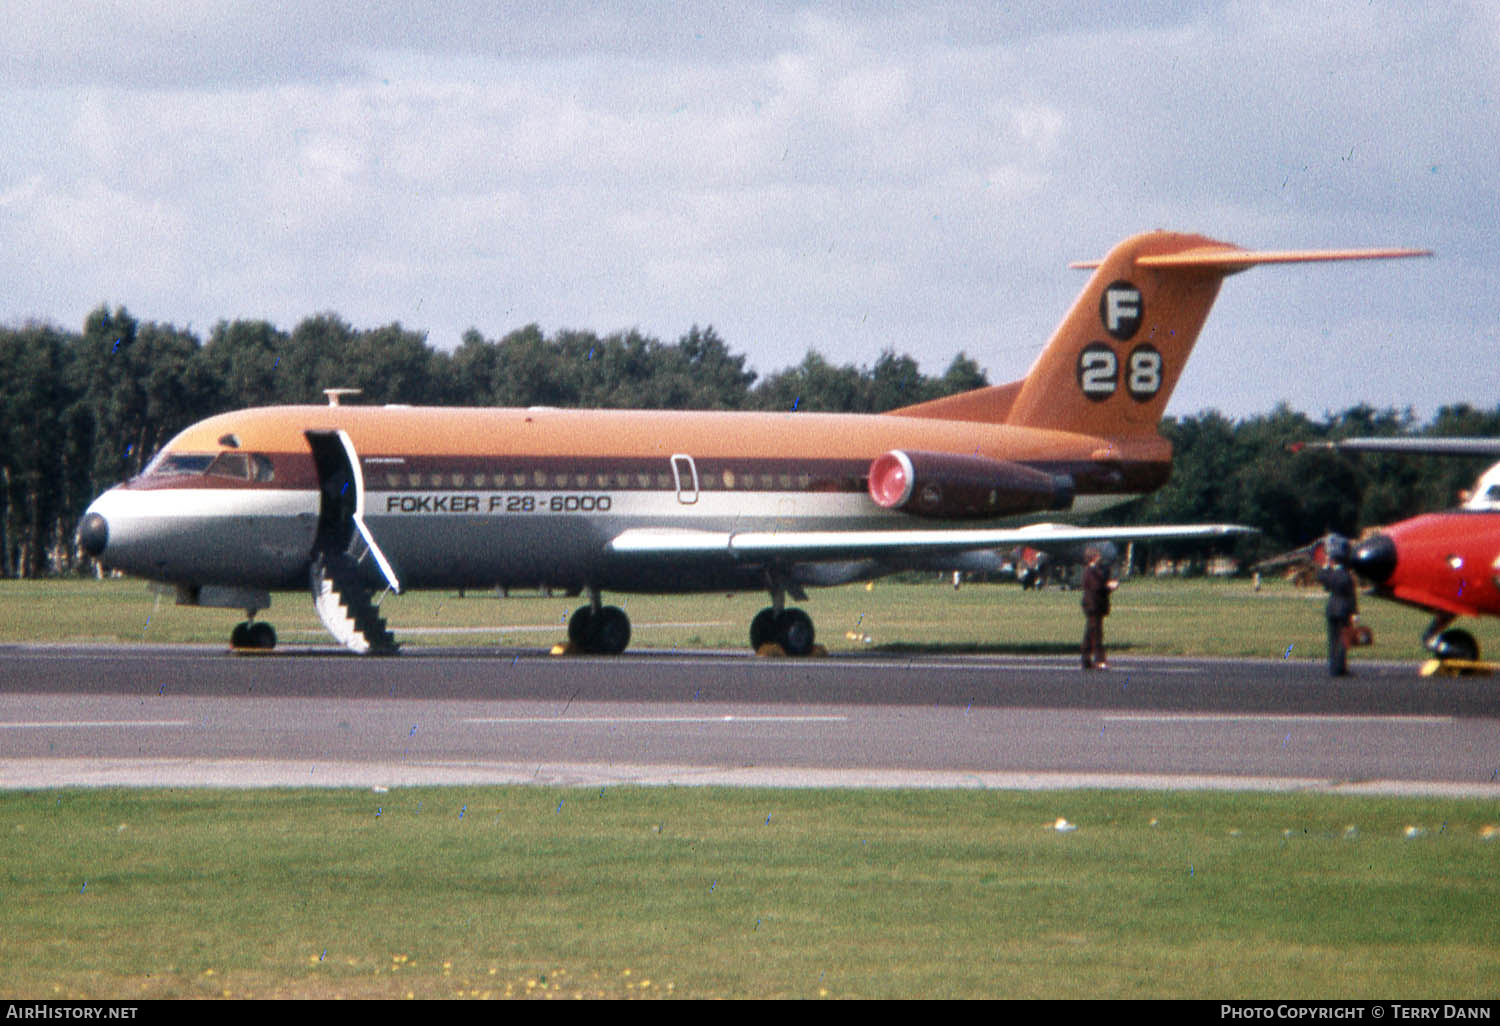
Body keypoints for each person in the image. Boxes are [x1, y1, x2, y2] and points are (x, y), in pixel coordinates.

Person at [1316, 535, 1358, 677]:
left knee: (1332, 640)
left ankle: (1333, 668)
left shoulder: (1330, 575)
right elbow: (1351, 595)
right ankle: (1341, 668)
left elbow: (1321, 577)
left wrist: (1326, 565)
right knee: (1343, 640)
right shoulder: (1346, 576)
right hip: (1344, 609)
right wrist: (1355, 613)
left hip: (1331, 608)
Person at [1080, 543, 1118, 670]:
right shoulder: (1090, 571)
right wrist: (1109, 586)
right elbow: (1096, 587)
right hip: (1093, 605)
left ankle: (1086, 659)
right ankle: (1099, 660)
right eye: (1097, 555)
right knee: (1097, 633)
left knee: (1090, 633)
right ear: (1092, 557)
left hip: (1095, 605)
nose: (1099, 557)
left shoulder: (1094, 570)